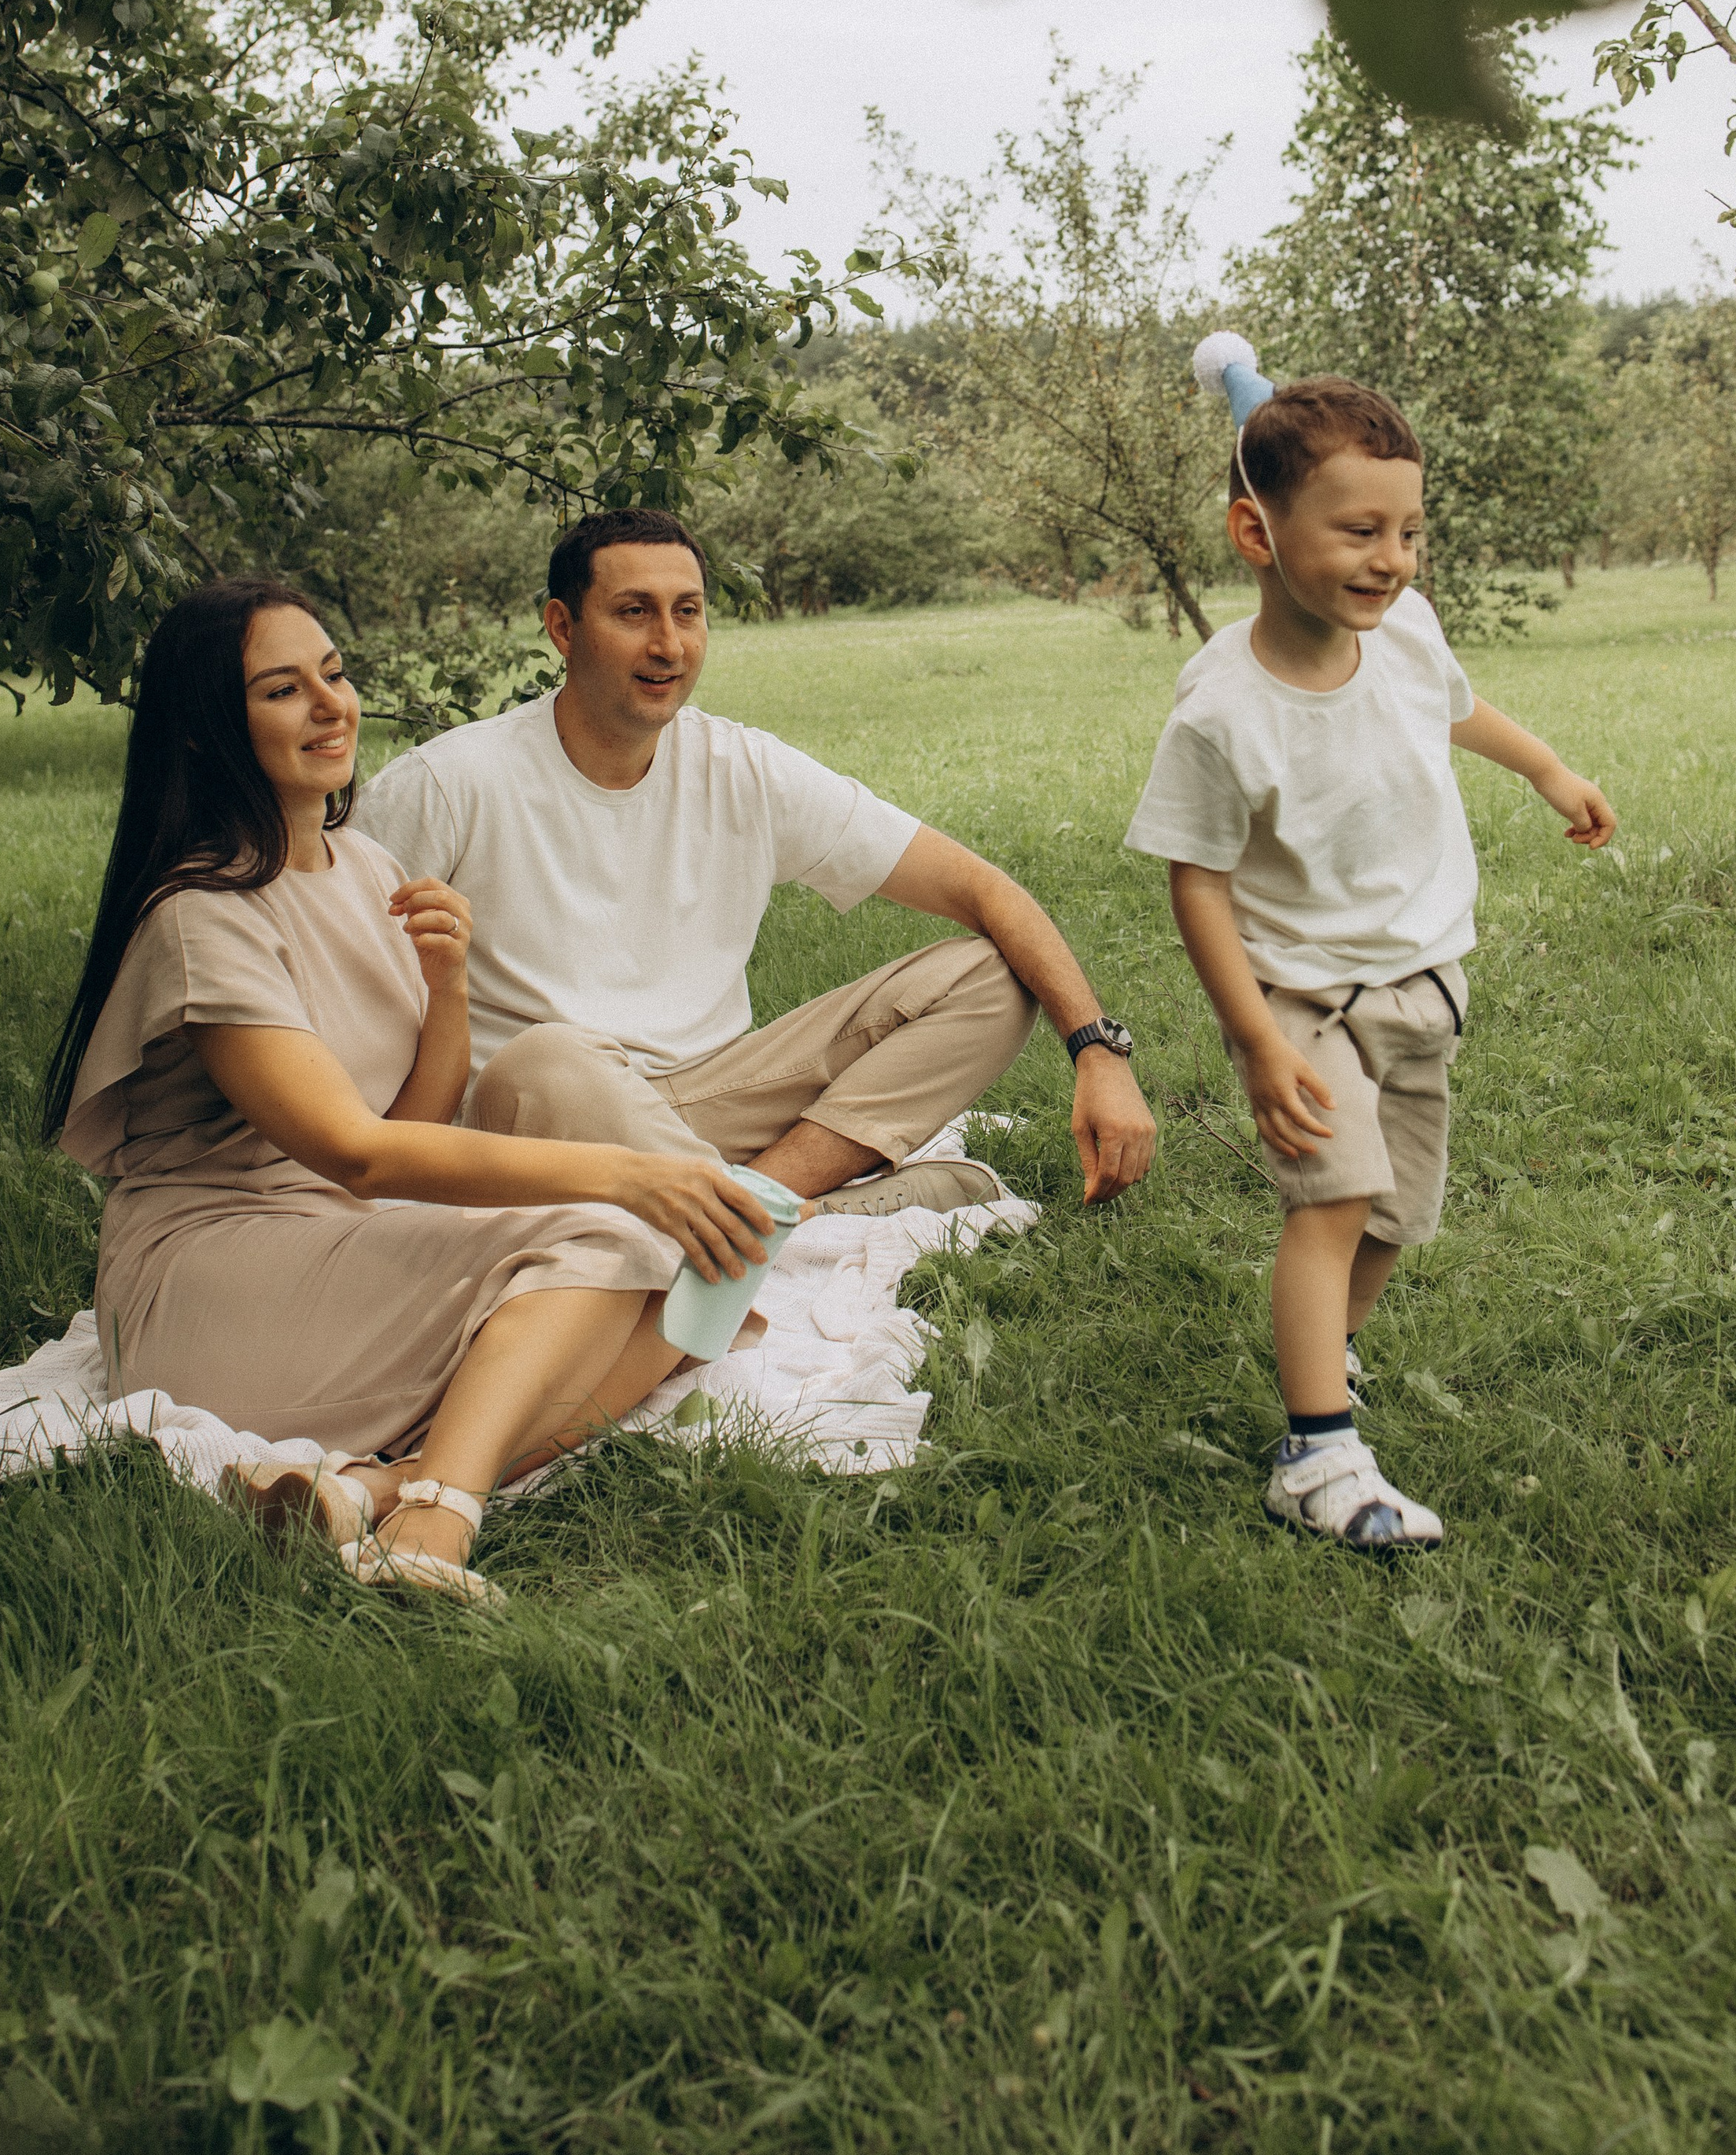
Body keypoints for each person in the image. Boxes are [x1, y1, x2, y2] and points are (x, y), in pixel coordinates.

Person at [45, 577, 780, 1605]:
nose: (331, 704)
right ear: (209, 732)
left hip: (336, 1232)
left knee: (706, 1272)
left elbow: (411, 1125)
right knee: (611, 1235)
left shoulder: (362, 864)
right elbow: (358, 1153)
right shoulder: (200, 917)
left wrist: (448, 989)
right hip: (209, 1279)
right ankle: (440, 1525)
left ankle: (381, 1489)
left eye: (335, 676)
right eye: (282, 690)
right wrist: (627, 1174)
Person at [1126, 344, 1616, 1551]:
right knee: (1334, 1205)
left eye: (1407, 531)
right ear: (1259, 536)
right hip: (1304, 999)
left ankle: (1327, 1357)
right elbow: (1198, 882)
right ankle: (1318, 1454)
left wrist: (1547, 767)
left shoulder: (1404, 634)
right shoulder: (1221, 713)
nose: (1390, 560)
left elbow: (1456, 704)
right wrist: (1252, 1038)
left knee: (1395, 1217)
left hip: (1421, 980)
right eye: (1357, 532)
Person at [357, 508, 1157, 1215]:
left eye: (688, 613)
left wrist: (1097, 1051)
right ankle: (783, 1213)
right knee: (550, 1056)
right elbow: (343, 984)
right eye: (632, 612)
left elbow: (980, 888)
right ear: (563, 627)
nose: (668, 645)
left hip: (716, 1091)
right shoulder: (446, 784)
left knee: (988, 975)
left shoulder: (740, 766)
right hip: (541, 1119)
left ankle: (757, 1207)